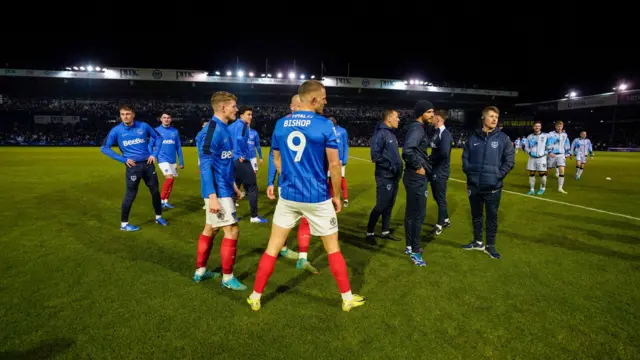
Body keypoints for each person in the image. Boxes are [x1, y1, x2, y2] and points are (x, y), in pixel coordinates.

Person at [248, 80, 365, 312]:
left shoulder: (281, 124)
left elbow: (277, 160)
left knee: (272, 247)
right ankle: (347, 298)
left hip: (288, 196)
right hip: (317, 197)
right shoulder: (323, 125)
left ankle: (255, 295)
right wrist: (338, 195)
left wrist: (291, 176)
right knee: (333, 248)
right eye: (323, 97)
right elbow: (334, 164)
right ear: (312, 99)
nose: (325, 101)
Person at [193, 91, 247, 290]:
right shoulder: (213, 131)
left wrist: (234, 186)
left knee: (211, 228)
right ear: (223, 107)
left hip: (225, 187)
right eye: (233, 106)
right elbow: (205, 165)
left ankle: (200, 271)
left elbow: (223, 163)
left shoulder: (224, 129)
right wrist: (213, 197)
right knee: (232, 230)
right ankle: (227, 277)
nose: (236, 109)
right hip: (217, 191)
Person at [264, 94, 318, 274]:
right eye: (296, 106)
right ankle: (282, 248)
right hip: (289, 181)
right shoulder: (282, 125)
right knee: (285, 219)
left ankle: (299, 255)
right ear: (292, 107)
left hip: (304, 181)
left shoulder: (309, 124)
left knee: (303, 218)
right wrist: (271, 180)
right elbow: (274, 155)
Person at [101, 105, 168, 231]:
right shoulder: (116, 131)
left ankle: (158, 217)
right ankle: (124, 224)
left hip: (148, 164)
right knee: (130, 194)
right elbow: (104, 148)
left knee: (155, 192)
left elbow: (158, 137)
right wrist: (123, 160)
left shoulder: (143, 126)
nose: (125, 116)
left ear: (133, 114)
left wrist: (154, 154)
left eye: (127, 114)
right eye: (122, 114)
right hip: (133, 167)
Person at [461, 106, 515, 259]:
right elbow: (465, 158)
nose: (494, 119)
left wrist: (498, 175)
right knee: (476, 215)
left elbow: (509, 161)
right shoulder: (473, 138)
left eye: (496, 117)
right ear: (483, 118)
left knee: (492, 217)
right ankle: (478, 242)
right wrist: (469, 172)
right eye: (491, 116)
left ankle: (490, 246)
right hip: (474, 185)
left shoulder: (503, 138)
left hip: (493, 186)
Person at [402, 100, 434, 267]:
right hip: (416, 176)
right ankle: (415, 251)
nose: (432, 115)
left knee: (411, 213)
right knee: (418, 215)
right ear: (421, 113)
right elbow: (407, 150)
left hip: (411, 176)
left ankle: (409, 246)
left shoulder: (416, 128)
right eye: (429, 112)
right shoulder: (417, 128)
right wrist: (419, 167)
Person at [365, 108, 402, 245]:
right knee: (381, 205)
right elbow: (375, 156)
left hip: (394, 176)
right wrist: (390, 166)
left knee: (389, 205)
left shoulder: (391, 134)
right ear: (389, 118)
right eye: (397, 117)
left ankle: (385, 231)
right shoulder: (380, 134)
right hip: (385, 176)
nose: (399, 119)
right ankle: (369, 233)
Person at [229, 106, 268, 224]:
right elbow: (241, 139)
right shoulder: (244, 125)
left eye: (251, 115)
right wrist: (243, 154)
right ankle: (254, 216)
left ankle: (231, 216)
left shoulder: (231, 126)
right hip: (241, 160)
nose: (250, 117)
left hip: (232, 160)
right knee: (252, 187)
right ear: (241, 115)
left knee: (235, 187)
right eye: (248, 114)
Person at [150, 111, 184, 209]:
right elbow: (150, 145)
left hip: (172, 160)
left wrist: (181, 161)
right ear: (161, 119)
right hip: (162, 158)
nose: (166, 119)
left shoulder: (175, 131)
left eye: (168, 117)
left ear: (171, 119)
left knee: (171, 181)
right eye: (164, 117)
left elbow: (178, 147)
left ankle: (165, 201)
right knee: (169, 178)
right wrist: (153, 156)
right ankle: (160, 201)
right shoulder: (156, 131)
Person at [427, 110, 453, 237]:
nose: (431, 119)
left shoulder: (445, 134)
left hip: (441, 171)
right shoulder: (437, 133)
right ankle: (446, 220)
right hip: (435, 170)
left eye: (433, 117)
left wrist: (430, 160)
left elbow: (444, 153)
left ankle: (439, 225)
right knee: (437, 197)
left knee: (440, 198)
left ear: (438, 118)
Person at [327, 116, 349, 208]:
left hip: (339, 159)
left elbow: (346, 145)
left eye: (332, 121)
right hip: (329, 159)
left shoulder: (342, 131)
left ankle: (345, 198)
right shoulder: (327, 131)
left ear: (335, 121)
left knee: (341, 178)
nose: (331, 123)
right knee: (330, 179)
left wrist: (344, 159)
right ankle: (331, 198)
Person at [524, 121, 551, 195]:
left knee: (542, 173)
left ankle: (542, 188)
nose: (537, 127)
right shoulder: (529, 136)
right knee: (531, 173)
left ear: (540, 127)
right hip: (532, 157)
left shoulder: (545, 136)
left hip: (541, 158)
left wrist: (545, 152)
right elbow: (526, 146)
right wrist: (529, 152)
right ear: (533, 127)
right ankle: (532, 189)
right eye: (535, 126)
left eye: (538, 126)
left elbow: (549, 145)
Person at [546, 121, 571, 193]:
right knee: (547, 171)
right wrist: (549, 152)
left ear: (562, 126)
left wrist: (567, 154)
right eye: (558, 126)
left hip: (561, 155)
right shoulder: (550, 134)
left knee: (562, 171)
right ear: (555, 126)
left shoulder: (564, 135)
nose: (560, 128)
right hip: (552, 155)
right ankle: (543, 185)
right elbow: (547, 143)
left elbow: (567, 145)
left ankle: (560, 188)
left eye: (561, 126)